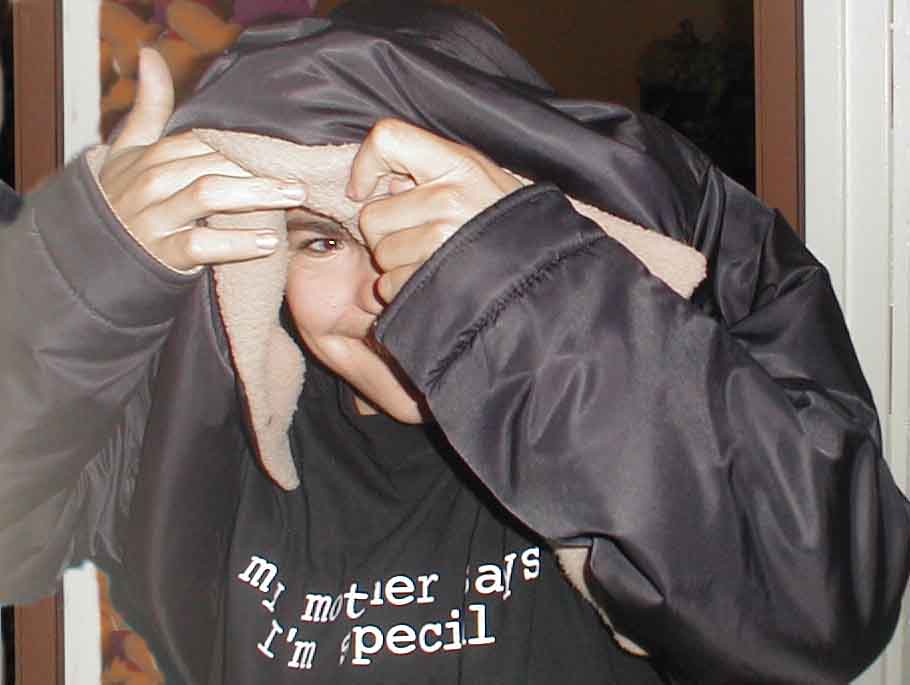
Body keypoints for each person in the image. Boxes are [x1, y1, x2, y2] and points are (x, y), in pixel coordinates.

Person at [1, 2, 909, 683]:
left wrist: (510, 284)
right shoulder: (202, 432)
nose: (382, 290)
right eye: (321, 242)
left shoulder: (633, 388)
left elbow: (815, 610)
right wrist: (81, 281)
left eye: (424, 231)